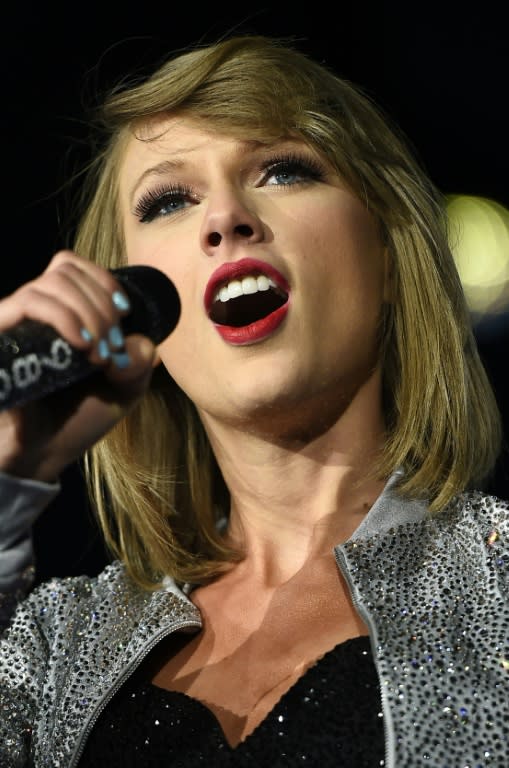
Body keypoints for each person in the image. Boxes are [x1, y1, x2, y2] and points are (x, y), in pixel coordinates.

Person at [0, 33, 507, 768]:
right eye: (169, 199)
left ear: (389, 255)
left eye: (282, 171)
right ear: (129, 302)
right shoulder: (51, 649)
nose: (224, 218)